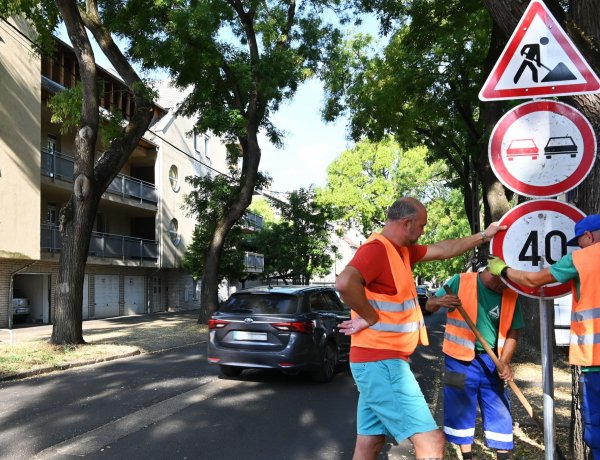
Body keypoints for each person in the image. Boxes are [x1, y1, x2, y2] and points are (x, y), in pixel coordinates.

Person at [335, 197, 505, 460]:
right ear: (406, 223)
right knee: (431, 440)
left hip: (378, 363)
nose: (424, 231)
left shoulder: (400, 251)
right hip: (382, 362)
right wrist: (368, 317)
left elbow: (445, 248)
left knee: (370, 442)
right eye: (422, 226)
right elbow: (345, 283)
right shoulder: (377, 250)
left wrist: (484, 235)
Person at [489, 214, 600, 460]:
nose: (578, 246)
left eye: (579, 241)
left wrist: (503, 270)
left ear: (589, 236)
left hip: (596, 363)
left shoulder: (583, 259)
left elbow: (534, 279)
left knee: (598, 436)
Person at [425, 265, 524, 460]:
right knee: (459, 407)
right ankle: (467, 456)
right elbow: (429, 305)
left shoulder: (511, 292)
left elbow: (515, 329)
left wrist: (504, 361)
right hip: (457, 360)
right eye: (505, 284)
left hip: (492, 361)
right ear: (496, 276)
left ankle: (502, 456)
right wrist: (439, 301)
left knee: (499, 409)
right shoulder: (460, 281)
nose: (507, 289)